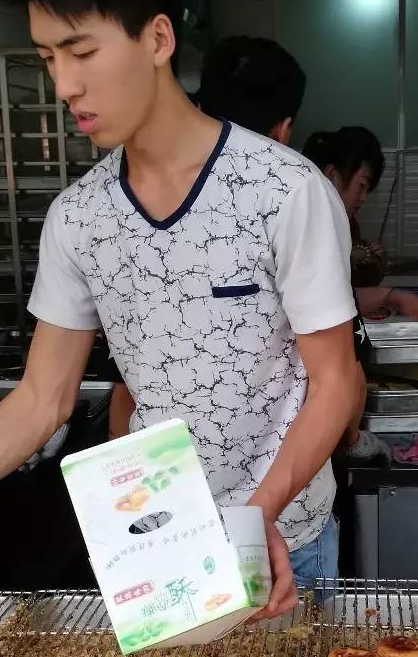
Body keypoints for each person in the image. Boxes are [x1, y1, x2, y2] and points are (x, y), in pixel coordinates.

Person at [0, 0, 360, 618]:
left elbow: (336, 380)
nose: (64, 85)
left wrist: (258, 518)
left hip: (284, 540)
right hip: (158, 549)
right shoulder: (78, 217)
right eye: (48, 58)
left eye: (81, 51)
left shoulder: (284, 189)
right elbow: (40, 400)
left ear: (159, 39)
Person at [107, 33, 308, 440]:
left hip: (192, 489)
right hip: (270, 492)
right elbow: (340, 379)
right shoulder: (296, 195)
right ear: (284, 130)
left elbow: (125, 388)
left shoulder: (116, 206)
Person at [303, 126, 418, 462]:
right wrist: (353, 437)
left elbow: (343, 300)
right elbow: (337, 355)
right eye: (361, 185)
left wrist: (391, 295)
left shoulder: (337, 228)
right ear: (331, 175)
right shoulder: (314, 235)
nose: (363, 198)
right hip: (328, 426)